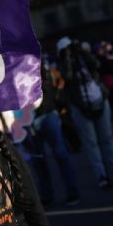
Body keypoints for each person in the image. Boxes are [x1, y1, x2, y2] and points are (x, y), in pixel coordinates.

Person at [57, 37, 113, 188]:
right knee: (91, 142)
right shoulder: (63, 65)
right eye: (67, 49)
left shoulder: (83, 58)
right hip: (80, 106)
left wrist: (83, 52)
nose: (71, 51)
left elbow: (96, 64)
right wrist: (66, 58)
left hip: (100, 99)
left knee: (107, 137)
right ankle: (101, 174)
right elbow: (68, 76)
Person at [27, 61, 80, 206]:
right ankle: (46, 194)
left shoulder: (33, 56)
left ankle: (72, 191)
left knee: (61, 154)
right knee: (38, 160)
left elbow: (45, 82)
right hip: (27, 118)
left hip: (46, 112)